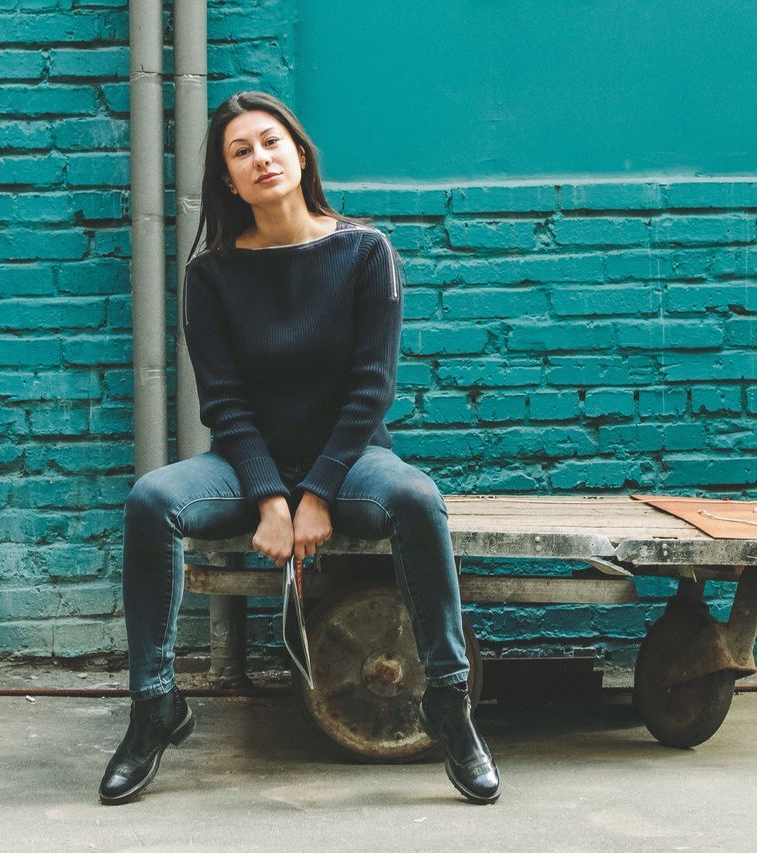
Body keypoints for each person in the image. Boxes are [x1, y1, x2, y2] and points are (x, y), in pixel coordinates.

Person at [97, 91, 500, 806]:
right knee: (151, 498)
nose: (261, 159)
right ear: (227, 180)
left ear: (300, 152)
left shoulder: (365, 251)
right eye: (240, 152)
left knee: (416, 497)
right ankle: (154, 703)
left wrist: (314, 494)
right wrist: (269, 497)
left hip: (350, 463)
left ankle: (447, 697)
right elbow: (223, 402)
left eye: (271, 142)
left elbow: (370, 390)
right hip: (243, 465)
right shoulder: (210, 275)